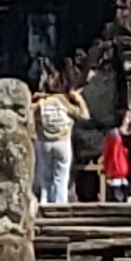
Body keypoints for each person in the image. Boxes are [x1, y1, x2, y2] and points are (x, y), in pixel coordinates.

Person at [31, 74, 82, 208]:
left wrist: (34, 99)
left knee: (45, 173)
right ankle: (60, 203)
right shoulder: (63, 101)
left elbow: (27, 114)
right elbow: (84, 115)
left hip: (44, 140)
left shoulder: (41, 103)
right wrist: (78, 99)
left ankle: (45, 201)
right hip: (62, 139)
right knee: (61, 175)